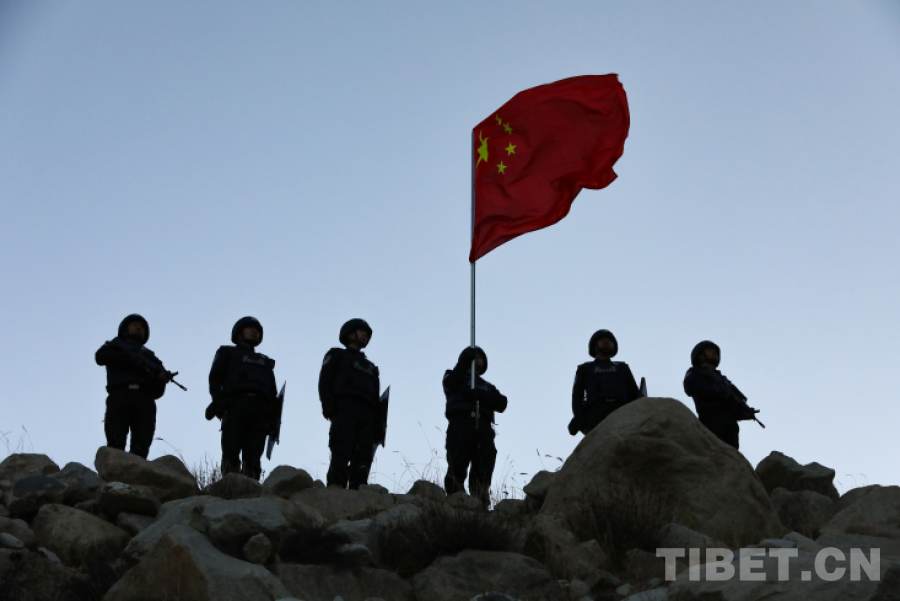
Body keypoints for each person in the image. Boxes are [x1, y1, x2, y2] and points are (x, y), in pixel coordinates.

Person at [207, 316, 278, 479]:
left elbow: (273, 392)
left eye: (257, 330)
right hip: (234, 405)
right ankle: (229, 486)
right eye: (250, 328)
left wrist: (272, 417)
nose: (254, 331)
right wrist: (219, 403)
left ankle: (251, 487)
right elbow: (215, 380)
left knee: (254, 457)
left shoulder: (265, 361)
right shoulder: (227, 352)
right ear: (239, 333)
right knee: (230, 452)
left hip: (260, 410)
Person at [95, 314, 175, 458]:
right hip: (120, 395)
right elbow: (100, 357)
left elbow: (157, 392)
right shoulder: (115, 346)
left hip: (144, 399)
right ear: (125, 329)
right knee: (115, 444)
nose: (139, 327)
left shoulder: (151, 357)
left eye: (142, 326)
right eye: (134, 324)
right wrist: (129, 359)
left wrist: (161, 379)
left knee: (141, 446)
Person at [318, 318, 381, 489]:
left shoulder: (371, 367)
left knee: (364, 456)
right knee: (341, 450)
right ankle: (335, 490)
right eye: (361, 331)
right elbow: (325, 381)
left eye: (367, 333)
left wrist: (377, 424)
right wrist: (328, 405)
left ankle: (358, 492)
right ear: (349, 333)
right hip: (344, 408)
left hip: (367, 414)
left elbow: (377, 398)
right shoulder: (337, 355)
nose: (365, 335)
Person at [442, 346, 508, 507]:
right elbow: (449, 384)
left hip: (483, 426)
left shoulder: (487, 386)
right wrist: (463, 362)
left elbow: (502, 403)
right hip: (460, 424)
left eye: (480, 357)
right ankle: (455, 500)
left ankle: (480, 502)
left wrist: (482, 396)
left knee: (484, 463)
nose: (477, 360)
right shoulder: (454, 376)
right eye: (474, 357)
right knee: (457, 462)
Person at [683, 340, 759, 450]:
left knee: (731, 455)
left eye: (715, 351)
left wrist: (744, 413)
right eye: (709, 350)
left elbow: (733, 400)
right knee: (713, 450)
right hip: (711, 417)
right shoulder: (696, 372)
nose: (714, 353)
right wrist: (716, 390)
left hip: (730, 423)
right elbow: (690, 387)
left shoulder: (724, 380)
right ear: (700, 355)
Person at [568, 329, 641, 436]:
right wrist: (580, 418)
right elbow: (577, 396)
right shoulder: (585, 368)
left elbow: (634, 393)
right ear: (594, 346)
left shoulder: (622, 367)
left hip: (621, 410)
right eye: (602, 340)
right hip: (595, 412)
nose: (606, 342)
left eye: (610, 341)